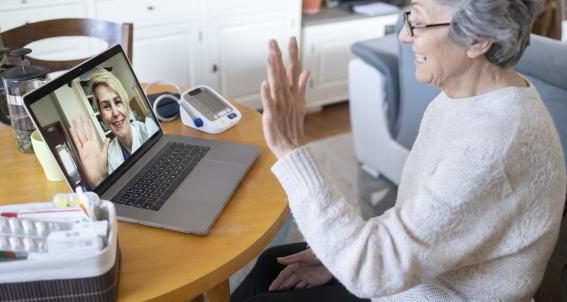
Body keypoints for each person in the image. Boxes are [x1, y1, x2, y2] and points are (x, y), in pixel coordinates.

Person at [232, 0, 567, 301]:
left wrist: (292, 151)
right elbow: (422, 218)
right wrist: (335, 256)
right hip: (416, 278)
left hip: (429, 293)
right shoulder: (463, 96)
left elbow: (370, 274)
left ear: (478, 40)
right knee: (269, 268)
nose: (405, 36)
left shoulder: (492, 148)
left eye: (418, 21)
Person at [70, 68, 158, 188]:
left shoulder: (149, 129)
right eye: (106, 106)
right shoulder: (110, 155)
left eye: (117, 102)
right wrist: (97, 180)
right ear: (102, 116)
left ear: (126, 104)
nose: (115, 112)